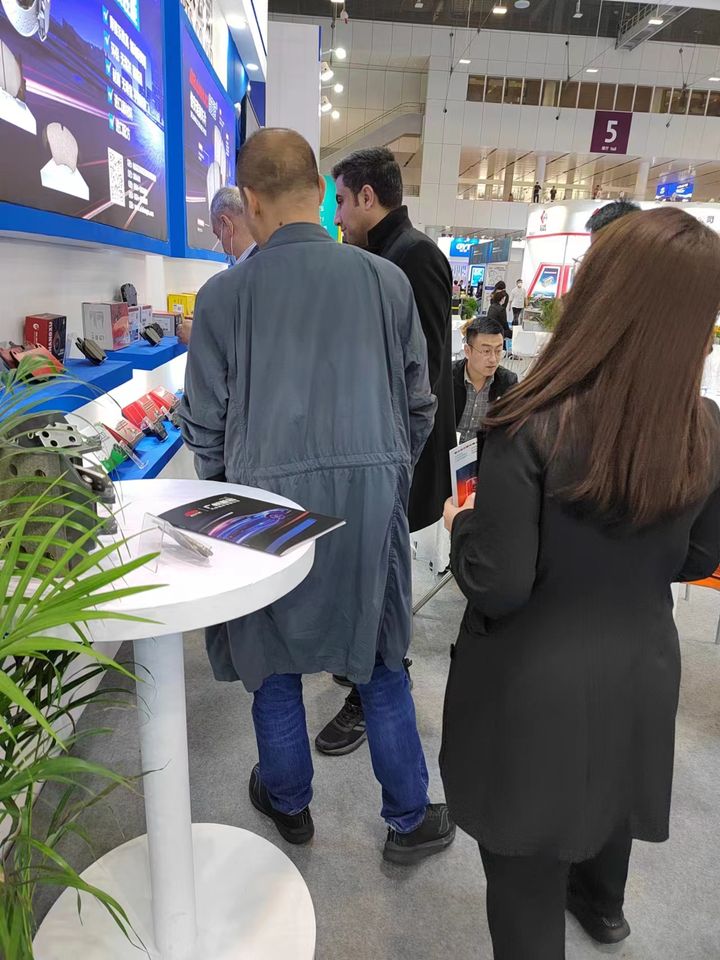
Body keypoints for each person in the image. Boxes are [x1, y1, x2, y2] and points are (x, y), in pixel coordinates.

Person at [441, 206, 720, 959]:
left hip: (533, 692)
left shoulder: (530, 421)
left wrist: (460, 526)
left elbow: (499, 583)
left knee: (524, 886)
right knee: (603, 811)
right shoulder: (704, 427)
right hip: (641, 674)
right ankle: (604, 906)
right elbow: (697, 557)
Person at [179, 129, 456, 864]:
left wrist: (235, 487)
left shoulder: (224, 296)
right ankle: (407, 820)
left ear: (251, 202)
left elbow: (205, 424)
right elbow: (419, 403)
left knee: (272, 660)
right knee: (380, 658)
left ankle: (289, 802)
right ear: (319, 191)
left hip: (261, 502)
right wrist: (385, 473)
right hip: (368, 500)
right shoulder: (386, 282)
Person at [318, 145, 456, 756]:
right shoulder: (379, 256)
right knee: (368, 568)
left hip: (397, 454)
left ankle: (372, 689)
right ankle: (363, 665)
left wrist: (390, 458)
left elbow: (419, 376)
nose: (337, 216)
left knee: (384, 576)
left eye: (342, 202)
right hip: (373, 450)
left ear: (368, 197)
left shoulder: (414, 257)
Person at [177, 187, 257, 345]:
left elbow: (253, 341)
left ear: (227, 224)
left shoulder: (238, 279)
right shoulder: (270, 262)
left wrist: (198, 336)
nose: (221, 245)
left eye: (217, 235)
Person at [454, 318, 518, 444]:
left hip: (485, 452)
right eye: (486, 351)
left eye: (498, 351)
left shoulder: (507, 382)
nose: (493, 359)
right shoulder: (447, 377)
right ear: (467, 351)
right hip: (447, 450)